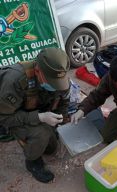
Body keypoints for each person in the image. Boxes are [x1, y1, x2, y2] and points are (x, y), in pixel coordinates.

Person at [0, 47, 70, 183]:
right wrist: (40, 117)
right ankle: (32, 162)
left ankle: (40, 140)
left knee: (51, 149)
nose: (56, 86)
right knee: (41, 133)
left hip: (37, 109)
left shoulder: (59, 78)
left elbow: (64, 100)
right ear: (37, 70)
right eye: (51, 82)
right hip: (13, 115)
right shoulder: (15, 80)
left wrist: (61, 117)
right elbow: (4, 118)